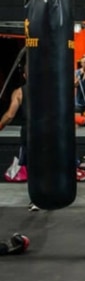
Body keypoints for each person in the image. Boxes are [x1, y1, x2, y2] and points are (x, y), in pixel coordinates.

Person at [0, 60, 38, 212]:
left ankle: (36, 200)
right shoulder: (51, 90)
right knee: (47, 166)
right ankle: (49, 197)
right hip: (49, 133)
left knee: (32, 168)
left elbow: (10, 115)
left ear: (24, 75)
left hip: (30, 134)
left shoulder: (19, 92)